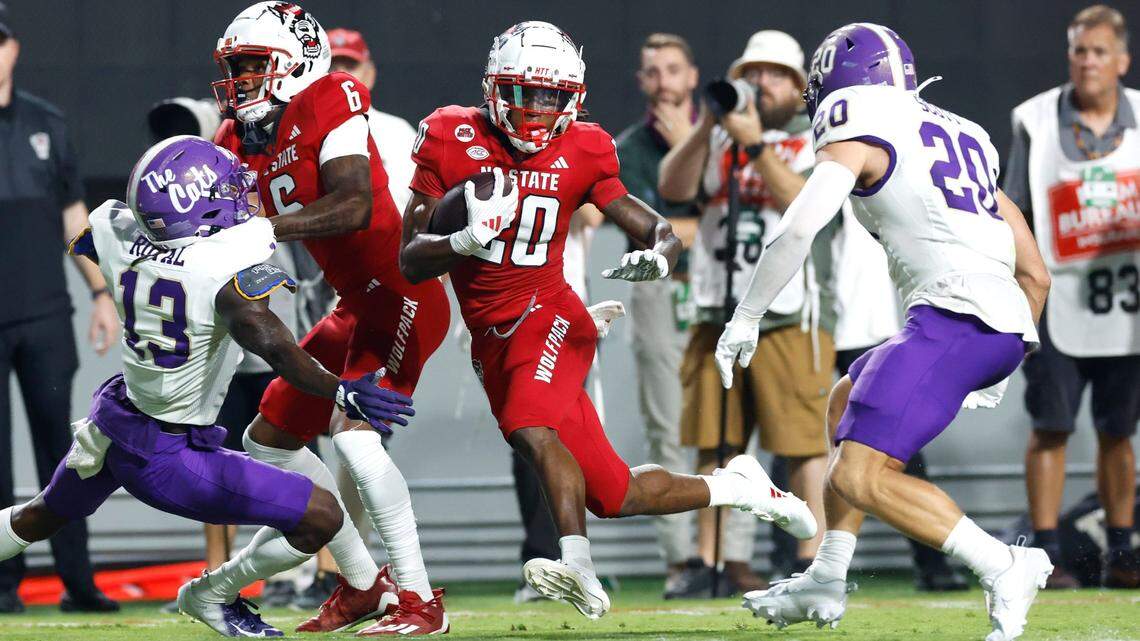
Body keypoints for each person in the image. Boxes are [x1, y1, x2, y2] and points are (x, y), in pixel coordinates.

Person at [400, 20, 816, 619]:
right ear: (495, 88)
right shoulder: (448, 134)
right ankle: (739, 487)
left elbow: (658, 226)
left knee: (527, 423)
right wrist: (464, 239)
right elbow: (410, 260)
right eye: (528, 92)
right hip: (492, 335)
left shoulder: (584, 146)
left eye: (553, 96)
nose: (539, 110)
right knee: (614, 494)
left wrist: (658, 255)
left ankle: (578, 566)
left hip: (551, 314)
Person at [0, 136, 415, 637]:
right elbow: (278, 349)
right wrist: (340, 390)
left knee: (39, 515)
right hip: (168, 456)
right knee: (321, 516)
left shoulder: (117, 228)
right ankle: (210, 593)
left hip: (114, 420)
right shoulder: (218, 270)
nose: (239, 195)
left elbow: (93, 236)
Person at [717, 23, 1054, 641]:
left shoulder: (858, 117)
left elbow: (798, 228)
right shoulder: (964, 133)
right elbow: (1034, 270)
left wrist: (746, 315)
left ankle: (1006, 564)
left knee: (856, 477)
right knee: (846, 400)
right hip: (986, 320)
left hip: (956, 315)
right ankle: (827, 572)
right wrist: (1006, 353)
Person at [210, 3, 450, 635]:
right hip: (353, 304)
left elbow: (352, 204)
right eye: (234, 68)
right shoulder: (235, 138)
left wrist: (260, 225)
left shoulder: (331, 96)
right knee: (267, 439)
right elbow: (229, 237)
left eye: (252, 66)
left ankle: (422, 602)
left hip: (401, 294)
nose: (240, 82)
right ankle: (364, 584)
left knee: (353, 437)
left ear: (295, 63)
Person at [658, 29, 836, 592]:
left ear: (798, 85)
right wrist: (710, 125)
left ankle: (812, 558)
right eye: (752, 72)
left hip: (790, 311)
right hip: (718, 305)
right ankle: (709, 561)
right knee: (716, 440)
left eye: (776, 74)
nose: (762, 84)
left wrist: (757, 145)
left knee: (803, 441)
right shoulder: (718, 139)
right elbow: (672, 187)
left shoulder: (817, 140)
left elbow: (801, 206)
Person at [1005, 4, 1140, 590]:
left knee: (1118, 430)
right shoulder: (1033, 120)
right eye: (1079, 50)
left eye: (1100, 51)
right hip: (1057, 302)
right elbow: (1012, 209)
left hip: (1129, 307)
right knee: (1051, 426)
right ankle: (1046, 552)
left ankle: (1122, 551)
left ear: (1122, 60)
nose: (1088, 61)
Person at [0, 3, 118, 613]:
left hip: (45, 315)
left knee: (69, 455)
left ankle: (79, 583)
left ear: (13, 49)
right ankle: (1, 588)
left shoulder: (47, 123)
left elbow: (75, 220)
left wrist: (101, 294)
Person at [614, 32, 704, 598]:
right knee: (666, 427)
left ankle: (732, 556)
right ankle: (683, 560)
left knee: (729, 428)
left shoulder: (726, 137)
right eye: (654, 72)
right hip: (659, 292)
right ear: (643, 82)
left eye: (674, 69)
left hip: (722, 290)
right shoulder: (628, 147)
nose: (665, 81)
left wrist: (691, 150)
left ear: (692, 76)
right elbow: (656, 238)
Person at [327, 28, 417, 213]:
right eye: (331, 67)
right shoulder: (298, 132)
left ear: (370, 74)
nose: (340, 75)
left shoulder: (398, 132)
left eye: (351, 66)